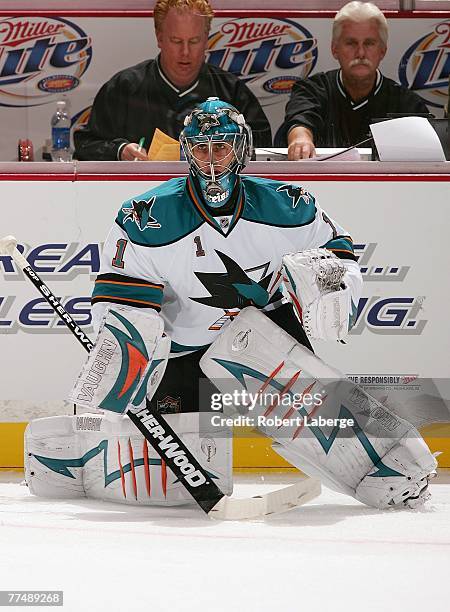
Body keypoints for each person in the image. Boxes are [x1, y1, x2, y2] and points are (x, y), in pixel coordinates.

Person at [26, 98, 436, 511]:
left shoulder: (288, 206)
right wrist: (128, 357)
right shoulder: (147, 217)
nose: (211, 160)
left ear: (240, 149)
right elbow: (121, 297)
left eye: (221, 146)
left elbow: (339, 253)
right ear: (187, 151)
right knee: (168, 485)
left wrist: (329, 284)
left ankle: (388, 467)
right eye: (201, 148)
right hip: (183, 347)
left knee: (317, 413)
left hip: (265, 337)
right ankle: (79, 454)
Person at [73, 0, 272, 161]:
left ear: (206, 39)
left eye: (194, 41)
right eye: (176, 41)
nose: (185, 52)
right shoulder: (124, 88)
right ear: (159, 38)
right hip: (141, 200)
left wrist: (225, 151)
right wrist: (120, 150)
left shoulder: (231, 92)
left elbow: (263, 148)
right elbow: (85, 147)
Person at [279, 1, 430, 159]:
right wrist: (300, 139)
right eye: (351, 43)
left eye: (369, 43)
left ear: (382, 51)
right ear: (334, 49)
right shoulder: (311, 90)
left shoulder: (408, 105)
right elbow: (300, 119)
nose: (360, 53)